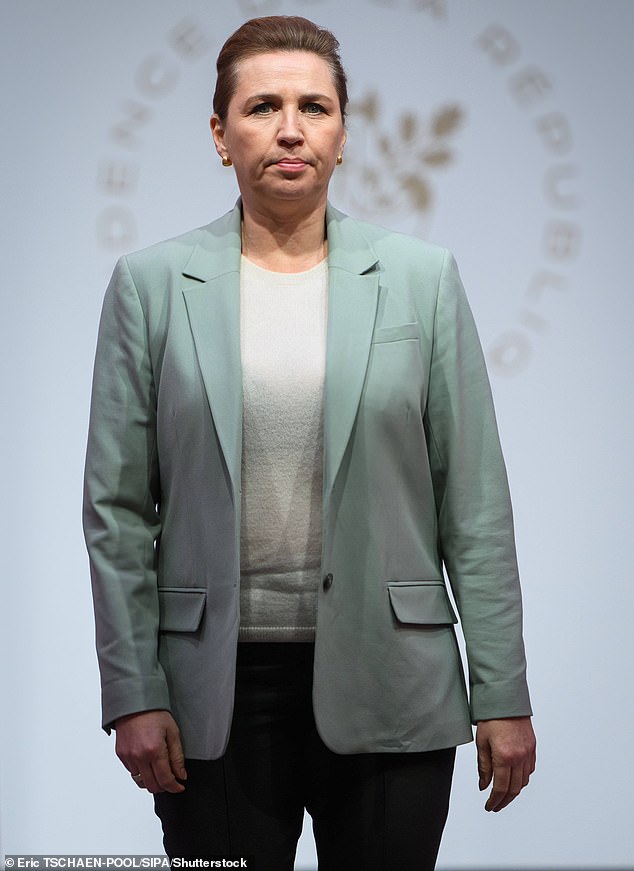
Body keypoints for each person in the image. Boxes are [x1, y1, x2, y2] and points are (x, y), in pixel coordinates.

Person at [83, 14, 536, 871]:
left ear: (343, 134)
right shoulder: (150, 285)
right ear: (220, 134)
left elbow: (473, 502)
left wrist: (503, 691)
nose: (290, 128)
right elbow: (116, 511)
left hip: (394, 675)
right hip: (213, 691)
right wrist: (133, 690)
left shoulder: (422, 279)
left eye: (314, 107)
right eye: (263, 107)